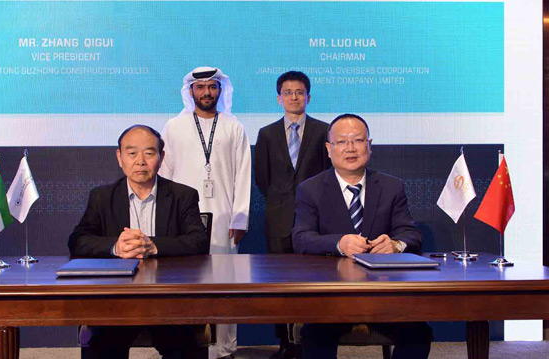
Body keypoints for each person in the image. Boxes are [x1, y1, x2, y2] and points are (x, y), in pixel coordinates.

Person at [291, 113, 432, 359]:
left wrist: (395, 245)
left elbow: (410, 233)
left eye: (357, 140)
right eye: (342, 142)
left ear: (370, 145)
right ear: (329, 149)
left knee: (418, 334)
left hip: (384, 295)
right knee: (315, 338)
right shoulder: (310, 189)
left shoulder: (391, 186)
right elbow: (301, 237)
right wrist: (338, 243)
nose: (350, 148)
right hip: (331, 296)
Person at [68, 125, 209, 359]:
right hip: (116, 300)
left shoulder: (183, 195)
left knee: (184, 347)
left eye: (149, 153)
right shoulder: (102, 197)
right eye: (132, 153)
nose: (140, 161)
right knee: (101, 345)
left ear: (161, 157)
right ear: (119, 157)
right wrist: (115, 247)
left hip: (169, 298)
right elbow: (77, 241)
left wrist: (153, 245)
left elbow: (199, 241)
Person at [160, 66, 251, 359]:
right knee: (185, 283)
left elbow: (242, 175)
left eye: (212, 87)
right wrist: (166, 219)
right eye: (200, 87)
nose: (207, 92)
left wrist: (240, 217)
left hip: (224, 217)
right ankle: (186, 344)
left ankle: (224, 348)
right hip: (182, 220)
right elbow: (165, 173)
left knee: (225, 284)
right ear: (191, 91)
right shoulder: (173, 127)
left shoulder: (233, 127)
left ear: (220, 90)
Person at [254, 71, 330, 359]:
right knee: (279, 283)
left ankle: (311, 341)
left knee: (313, 282)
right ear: (279, 98)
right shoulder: (267, 134)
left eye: (299, 92)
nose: (294, 97)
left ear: (308, 97)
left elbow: (328, 175)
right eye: (288, 92)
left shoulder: (324, 131)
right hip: (278, 218)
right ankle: (285, 342)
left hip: (315, 220)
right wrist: (280, 203)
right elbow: (262, 178)